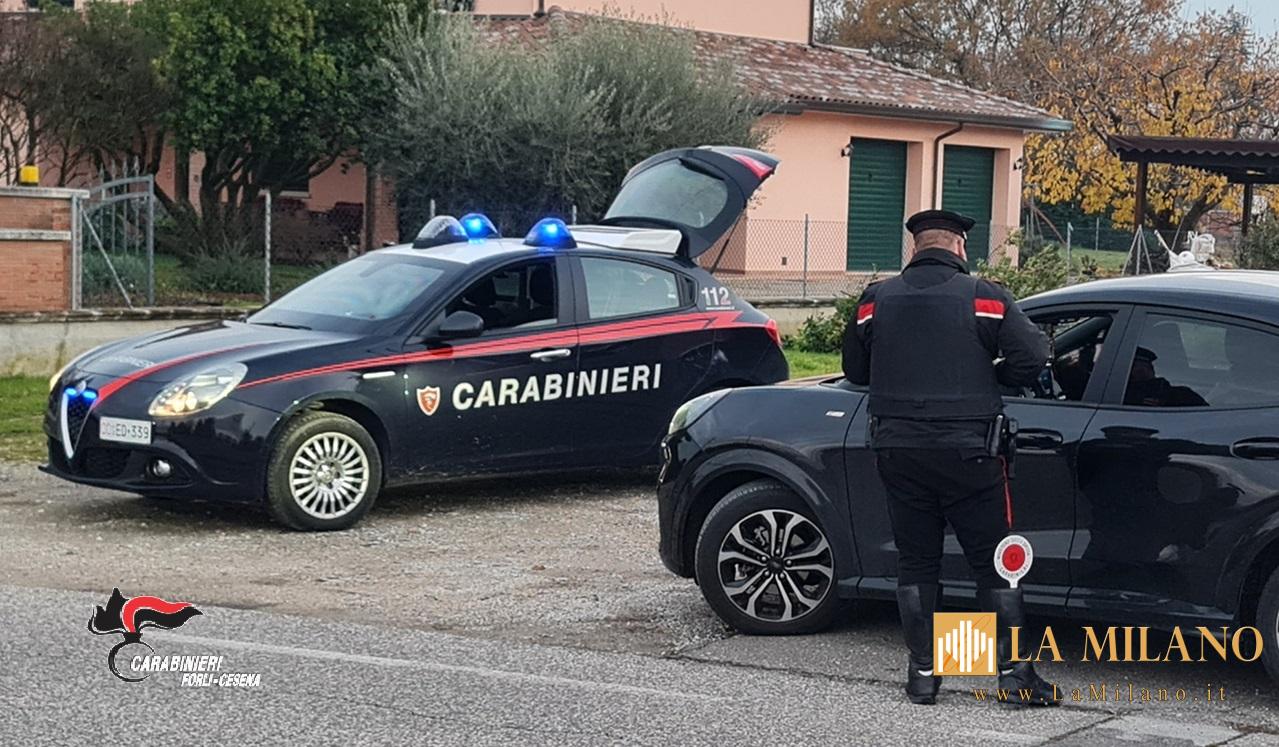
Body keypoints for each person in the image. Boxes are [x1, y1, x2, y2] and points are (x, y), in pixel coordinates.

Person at [842, 209, 1056, 706]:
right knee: (993, 565)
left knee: (918, 563)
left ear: (915, 248)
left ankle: (924, 675)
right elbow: (1033, 358)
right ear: (959, 246)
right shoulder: (985, 296)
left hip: (898, 452)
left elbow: (855, 368)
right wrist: (992, 376)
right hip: (971, 454)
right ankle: (1013, 676)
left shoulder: (876, 300)